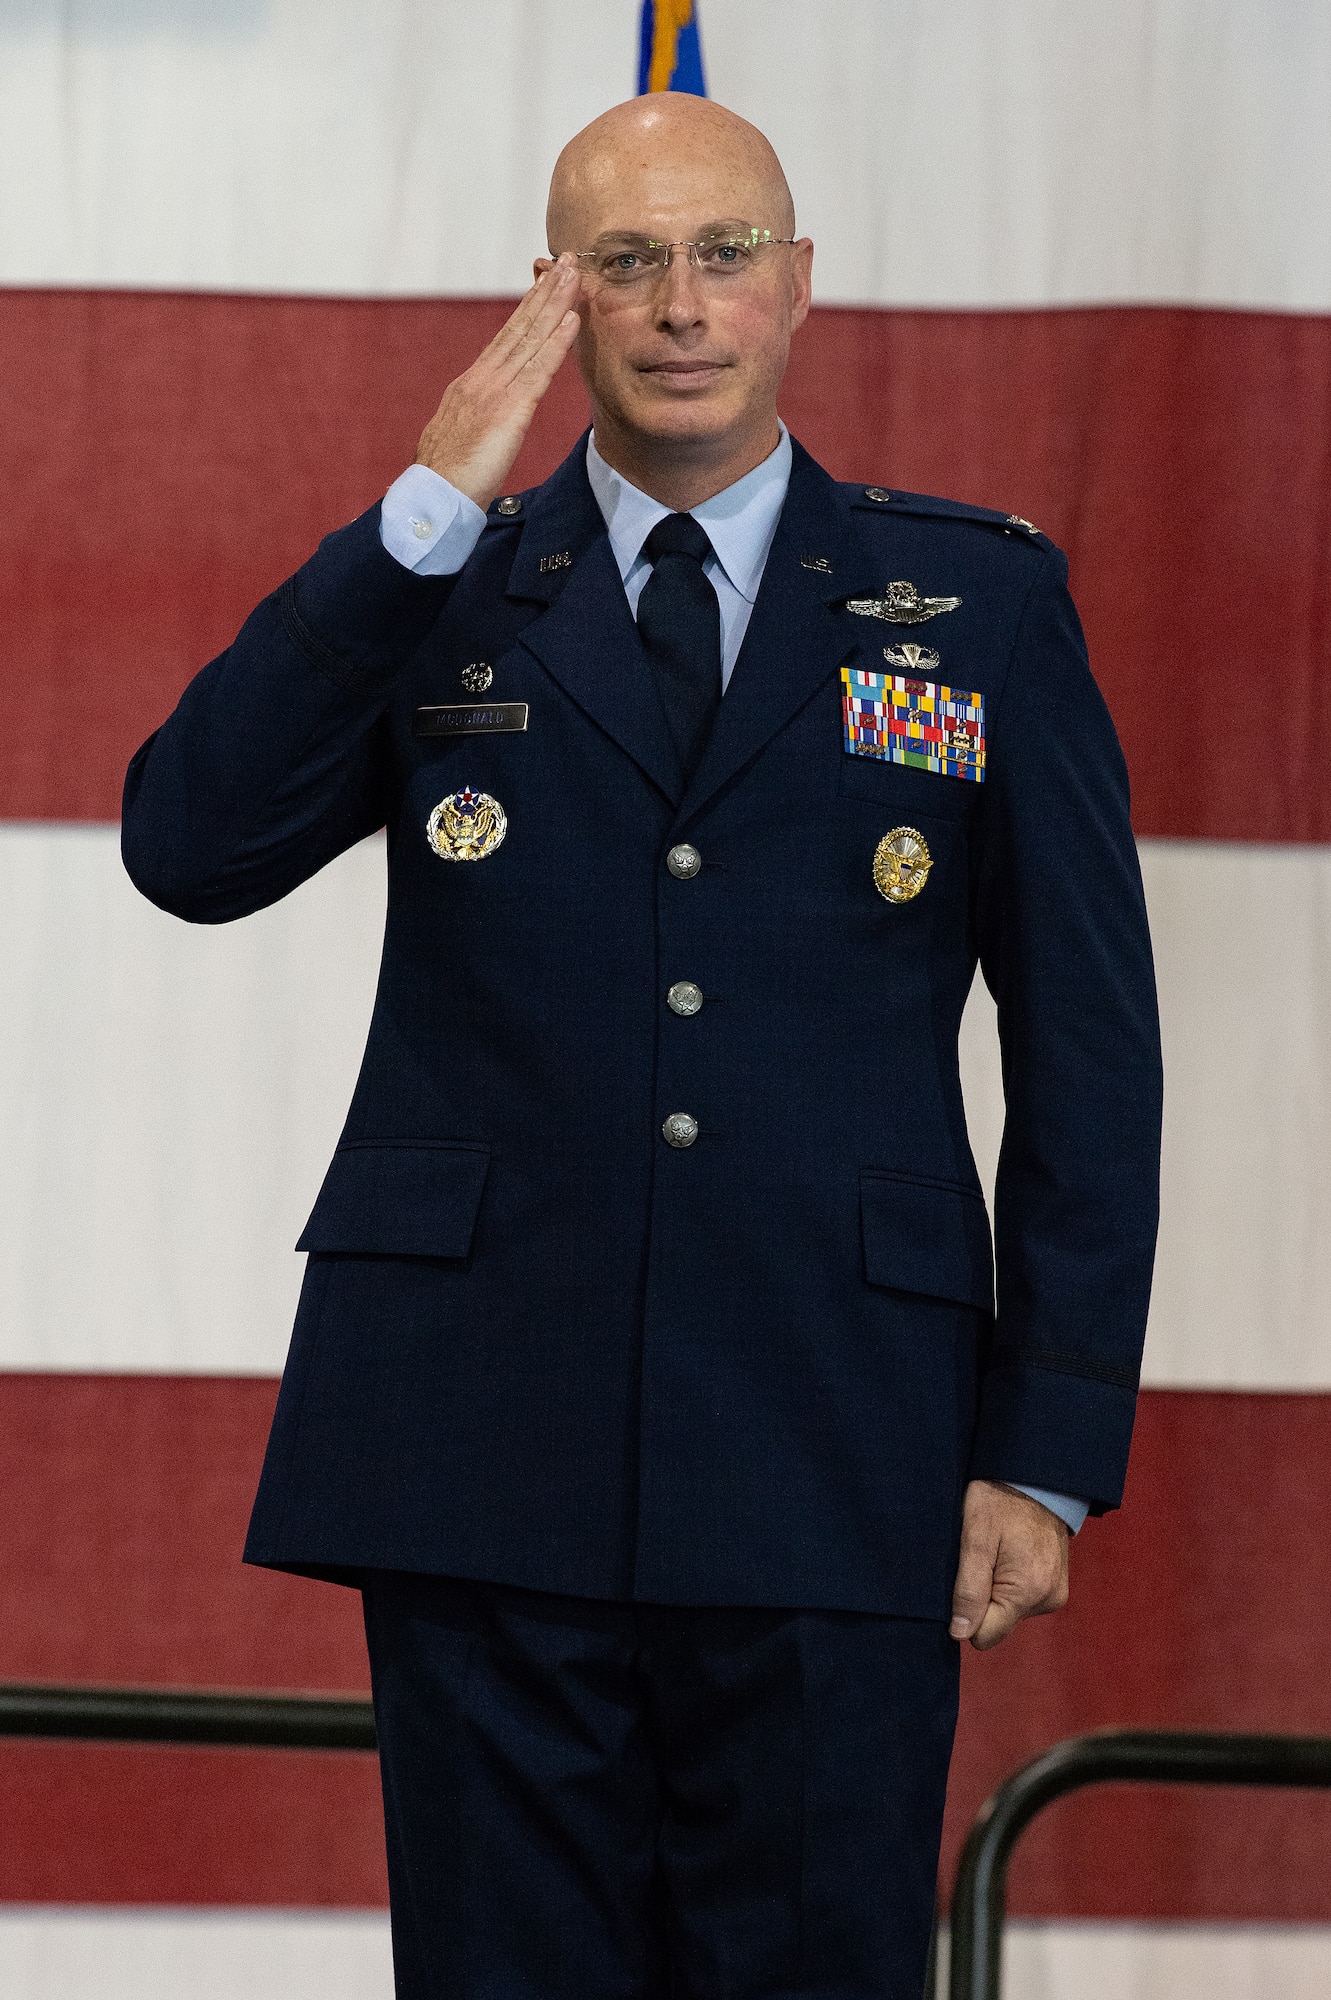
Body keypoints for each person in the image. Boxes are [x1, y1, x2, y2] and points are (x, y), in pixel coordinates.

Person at [122, 92, 1161, 2000]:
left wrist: (1049, 1447)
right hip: (479, 1446)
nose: (680, 305)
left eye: (721, 254)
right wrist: (418, 512)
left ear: (799, 287)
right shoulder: (444, 583)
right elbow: (187, 848)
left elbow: (1092, 1046)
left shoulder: (979, 605)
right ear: (558, 298)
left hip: (837, 1446)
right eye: (626, 262)